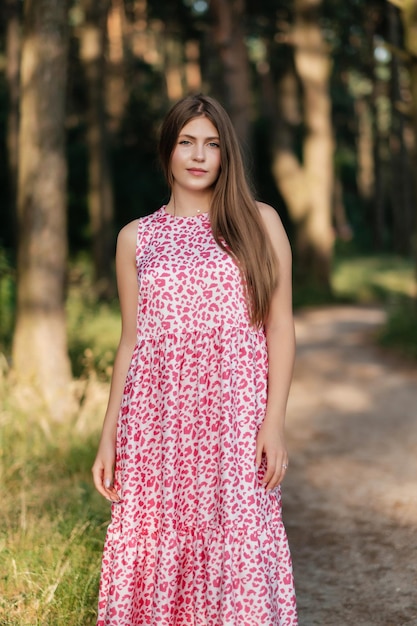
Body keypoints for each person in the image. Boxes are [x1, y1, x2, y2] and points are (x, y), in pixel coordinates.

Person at [92, 93, 298, 626]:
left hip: (234, 423)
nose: (199, 155)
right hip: (157, 427)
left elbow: (279, 328)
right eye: (187, 142)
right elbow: (131, 341)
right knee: (159, 544)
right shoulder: (135, 238)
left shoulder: (259, 222)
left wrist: (273, 421)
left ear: (225, 154)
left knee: (236, 541)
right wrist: (109, 433)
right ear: (168, 151)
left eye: (211, 144)